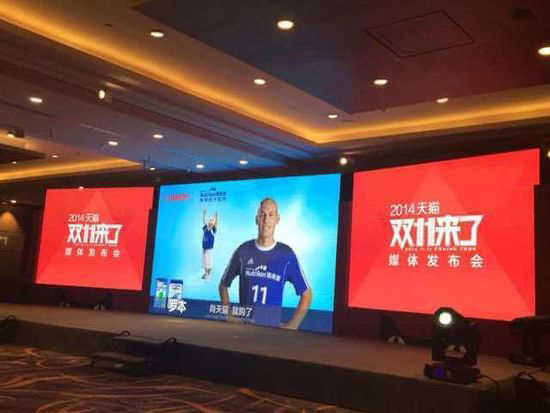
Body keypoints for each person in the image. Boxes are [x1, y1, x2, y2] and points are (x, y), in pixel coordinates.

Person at [219, 198, 312, 330]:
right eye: (262, 215)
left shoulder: (287, 255)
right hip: (244, 332)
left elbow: (306, 294)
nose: (266, 220)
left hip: (271, 334)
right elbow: (223, 285)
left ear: (277, 219)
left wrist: (292, 325)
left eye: (271, 215)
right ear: (256, 219)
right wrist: (228, 315)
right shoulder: (243, 251)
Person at [201, 209, 218, 281]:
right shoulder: (205, 227)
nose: (210, 221)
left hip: (209, 250)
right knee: (204, 262)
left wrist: (216, 217)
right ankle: (206, 273)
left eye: (212, 220)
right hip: (204, 249)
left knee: (209, 264)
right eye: (210, 220)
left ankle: (208, 274)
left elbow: (215, 224)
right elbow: (204, 221)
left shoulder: (213, 230)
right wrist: (204, 214)